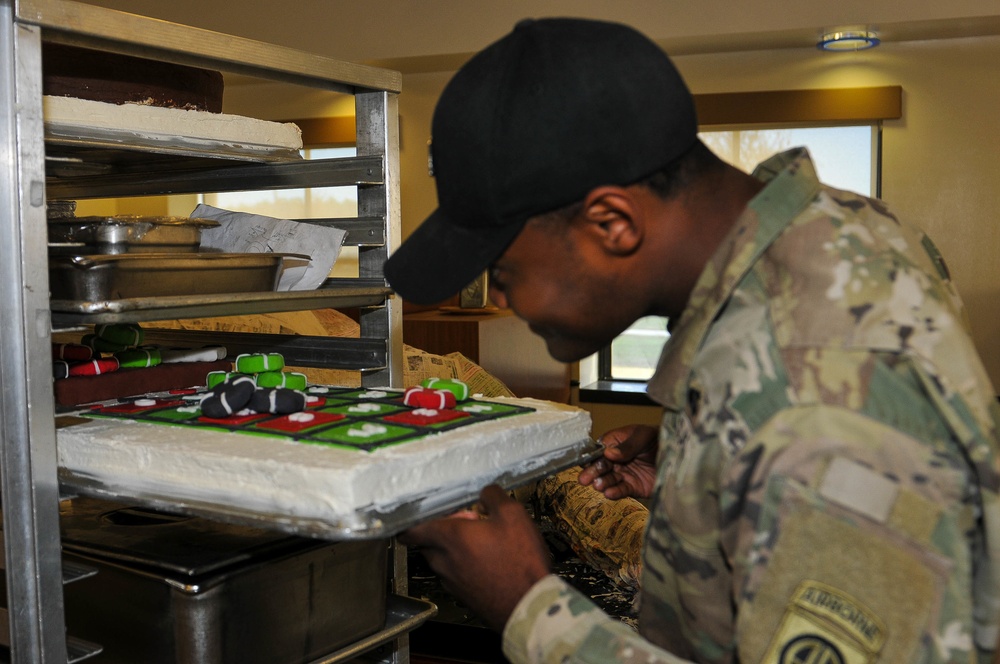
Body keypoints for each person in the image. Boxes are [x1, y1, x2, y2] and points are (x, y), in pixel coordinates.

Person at [384, 17, 1000, 664]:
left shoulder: (813, 412)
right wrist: (705, 462)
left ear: (613, 223)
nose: (501, 301)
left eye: (503, 273)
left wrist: (527, 608)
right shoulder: (828, 231)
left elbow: (816, 429)